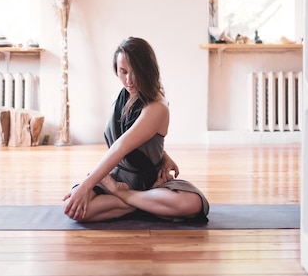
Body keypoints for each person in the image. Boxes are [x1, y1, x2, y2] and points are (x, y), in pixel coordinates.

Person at [63, 37, 210, 223]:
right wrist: (162, 154)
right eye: (123, 72)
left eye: (135, 72)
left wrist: (90, 184)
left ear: (147, 70)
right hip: (119, 175)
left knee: (192, 203)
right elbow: (134, 138)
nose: (129, 80)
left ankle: (128, 197)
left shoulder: (157, 106)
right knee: (74, 209)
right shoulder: (125, 95)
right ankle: (149, 204)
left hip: (149, 181)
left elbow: (120, 147)